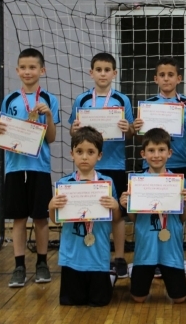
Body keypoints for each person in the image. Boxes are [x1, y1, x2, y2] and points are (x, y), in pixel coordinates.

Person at [0, 48, 60, 287]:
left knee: (40, 218)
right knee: (18, 218)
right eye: (24, 68)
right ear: (17, 71)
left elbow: (51, 138)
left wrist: (49, 117)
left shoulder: (49, 100)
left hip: (40, 167)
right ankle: (19, 266)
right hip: (15, 168)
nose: (28, 72)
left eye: (32, 67)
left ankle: (42, 263)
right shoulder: (10, 100)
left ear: (42, 70)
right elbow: (3, 130)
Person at [68, 52, 135, 279]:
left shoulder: (122, 100)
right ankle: (94, 256)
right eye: (99, 70)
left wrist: (128, 128)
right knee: (90, 211)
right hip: (87, 167)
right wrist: (73, 129)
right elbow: (74, 132)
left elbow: (131, 132)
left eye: (107, 70)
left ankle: (119, 258)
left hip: (115, 164)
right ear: (91, 73)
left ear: (114, 73)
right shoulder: (82, 100)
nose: (103, 74)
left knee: (117, 214)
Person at [48, 126, 121, 306]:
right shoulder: (64, 184)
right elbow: (55, 220)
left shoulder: (107, 183)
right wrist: (51, 207)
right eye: (79, 152)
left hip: (98, 256)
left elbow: (116, 218)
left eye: (90, 152)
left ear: (99, 155)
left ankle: (109, 277)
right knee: (73, 302)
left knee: (99, 302)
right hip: (72, 258)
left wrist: (115, 207)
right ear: (71, 154)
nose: (85, 157)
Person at [119, 128, 186, 303]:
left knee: (180, 299)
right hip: (146, 247)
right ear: (143, 154)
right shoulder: (136, 183)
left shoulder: (179, 181)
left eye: (161, 150)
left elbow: (182, 219)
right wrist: (127, 206)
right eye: (151, 150)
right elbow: (135, 220)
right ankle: (137, 273)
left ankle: (182, 276)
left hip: (171, 247)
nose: (156, 155)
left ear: (169, 153)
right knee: (138, 298)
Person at [132, 57, 186, 188]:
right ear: (156, 79)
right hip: (151, 163)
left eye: (170, 75)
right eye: (162, 75)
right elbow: (142, 140)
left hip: (179, 162)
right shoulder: (147, 105)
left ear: (179, 78)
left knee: (179, 200)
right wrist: (136, 129)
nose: (166, 79)